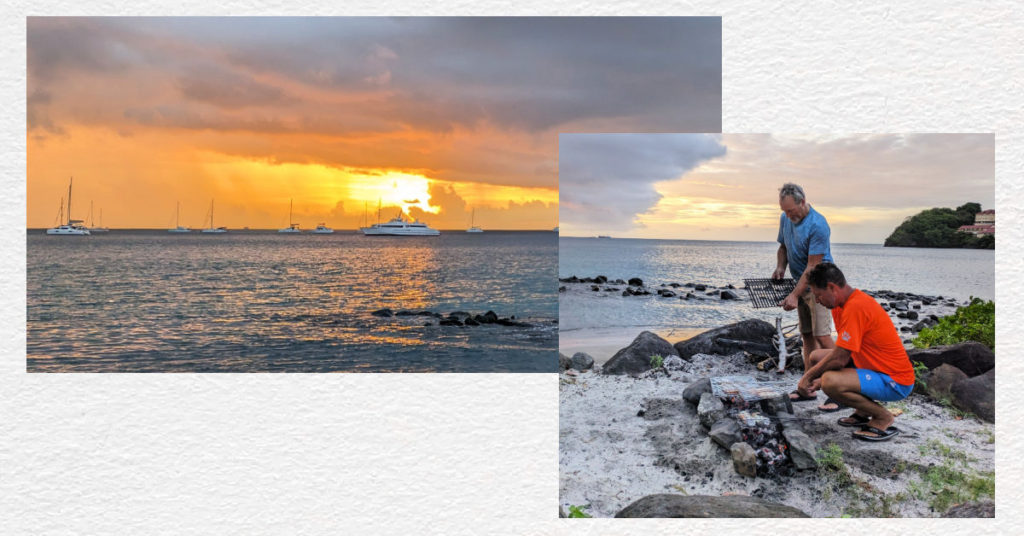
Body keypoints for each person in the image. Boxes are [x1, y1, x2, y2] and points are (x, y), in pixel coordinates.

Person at [795, 262, 915, 441]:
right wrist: (815, 376)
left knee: (830, 382)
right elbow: (844, 351)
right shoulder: (839, 306)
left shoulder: (856, 307)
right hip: (875, 368)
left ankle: (883, 417)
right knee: (816, 357)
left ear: (832, 288)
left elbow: (839, 359)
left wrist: (809, 377)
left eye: (818, 295)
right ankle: (862, 411)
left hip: (896, 381)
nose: (817, 300)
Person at [774, 183, 838, 410]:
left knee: (823, 337)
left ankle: (840, 388)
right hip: (801, 284)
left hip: (821, 284)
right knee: (807, 336)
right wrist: (781, 267)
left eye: (791, 211)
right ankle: (807, 387)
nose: (788, 215)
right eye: (785, 211)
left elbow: (812, 267)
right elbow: (783, 247)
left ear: (802, 202)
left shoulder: (818, 225)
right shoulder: (786, 218)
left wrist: (793, 295)